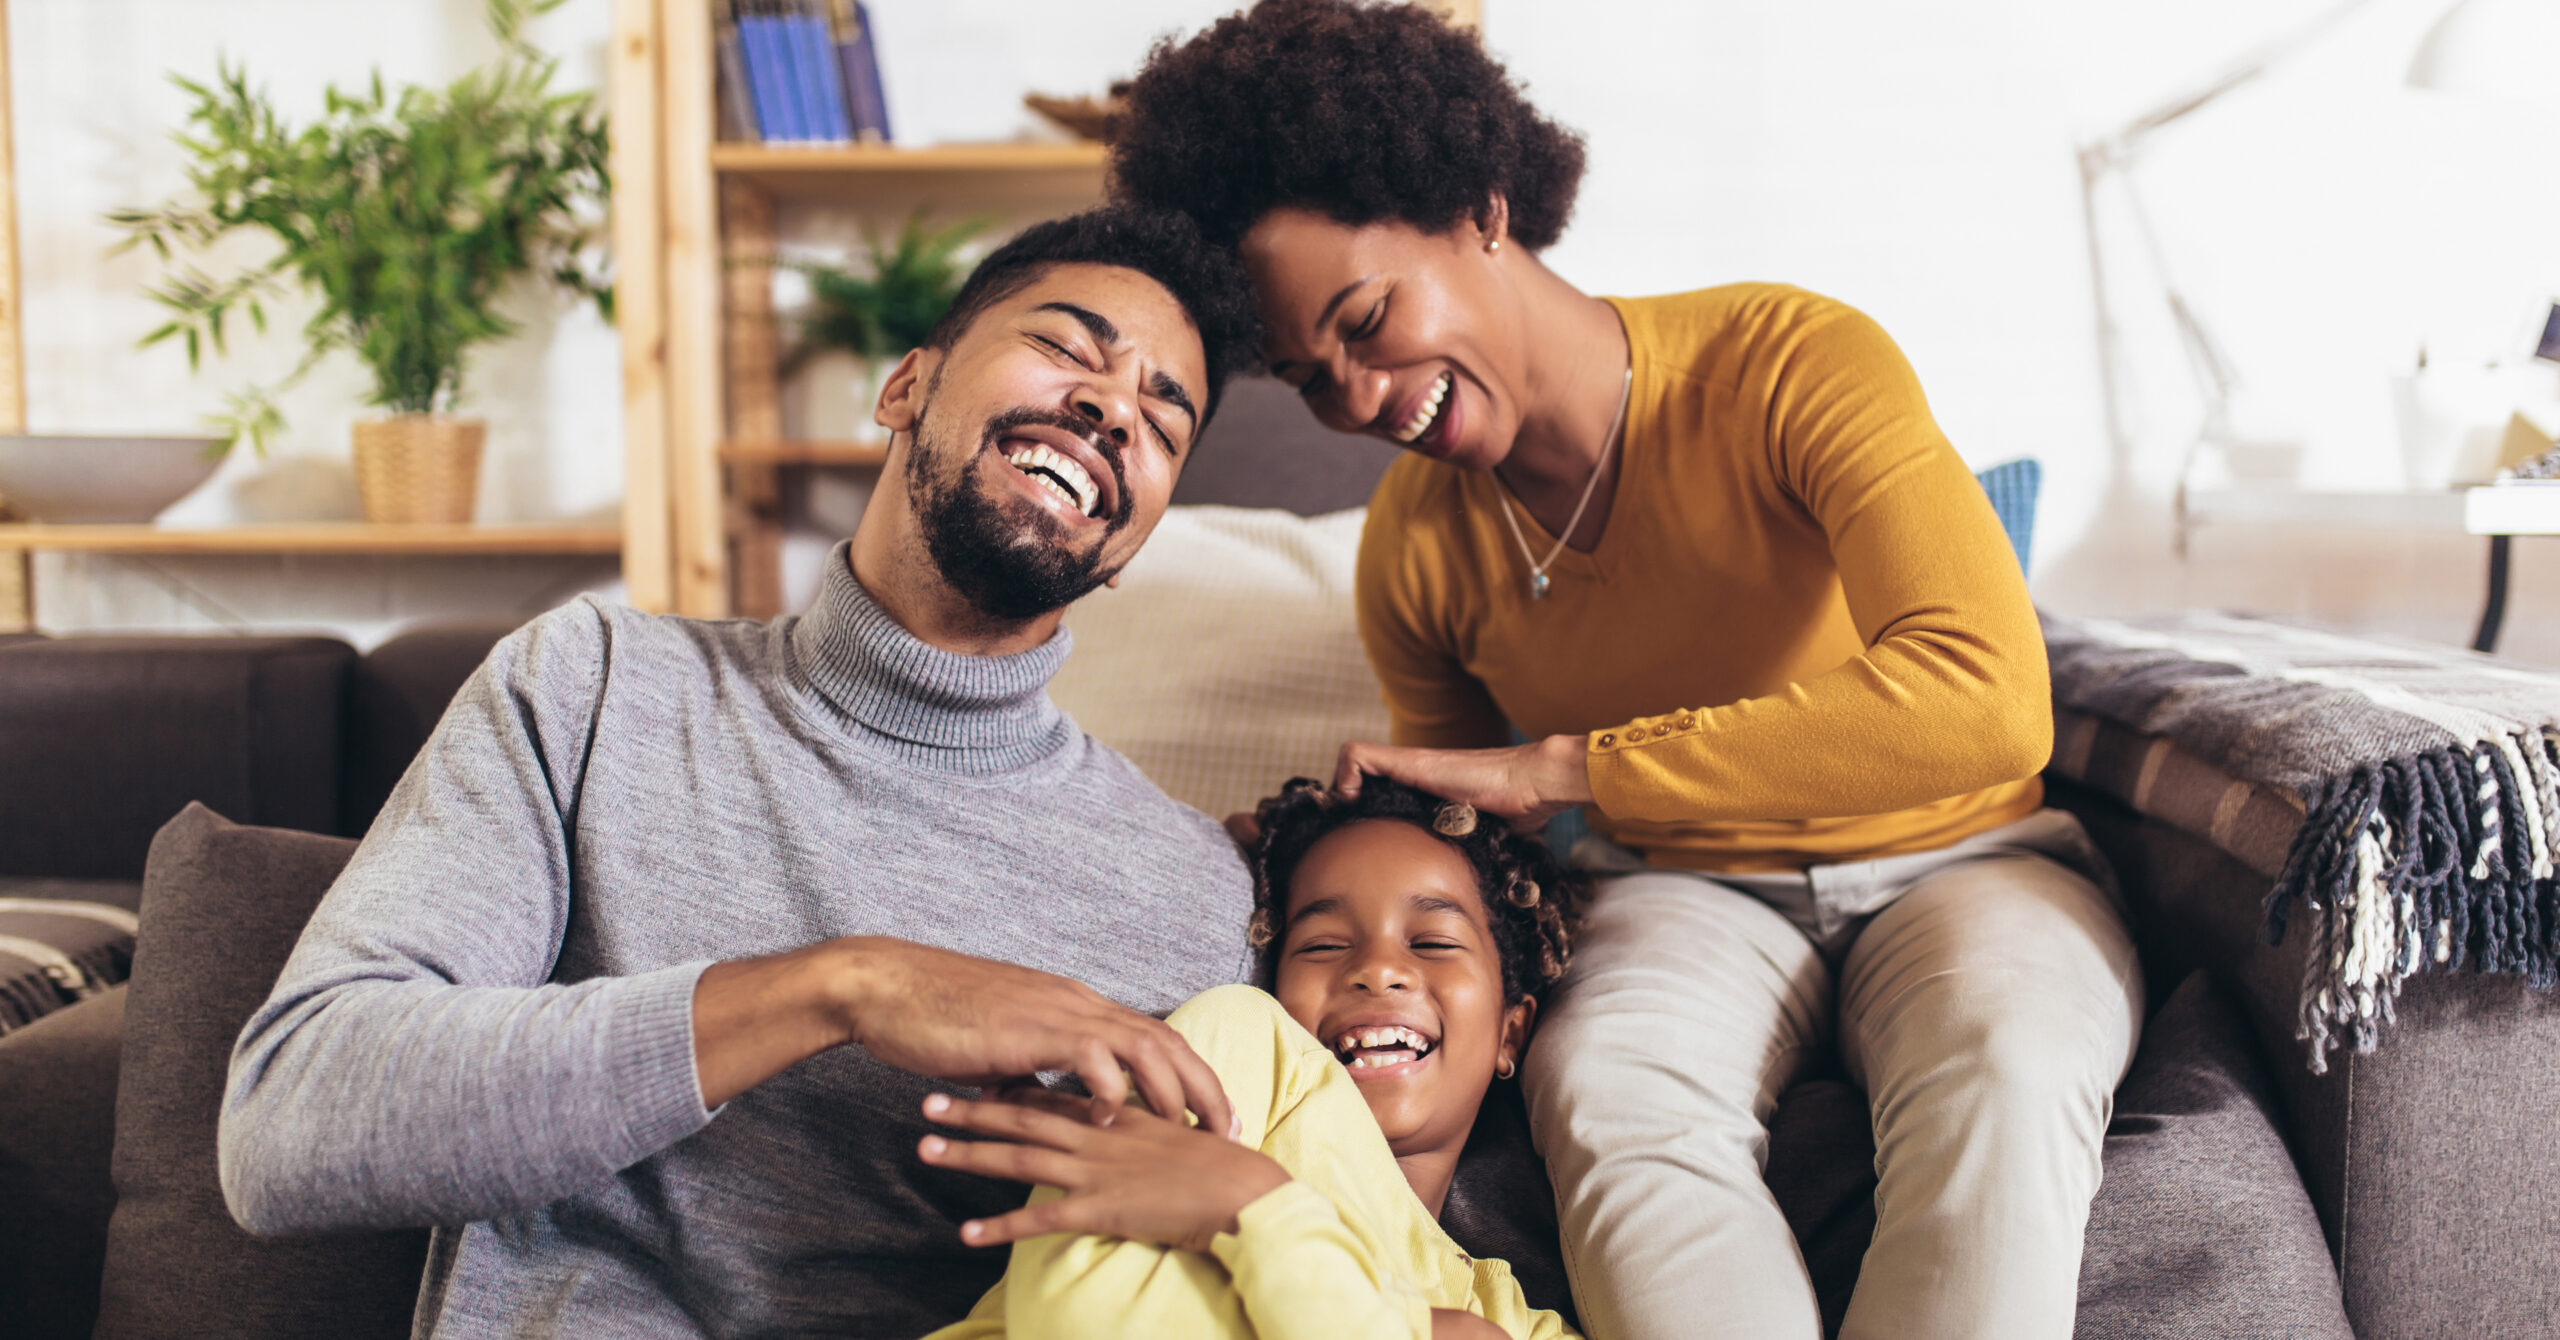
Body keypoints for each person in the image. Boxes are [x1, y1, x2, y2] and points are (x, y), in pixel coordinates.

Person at [1108, 5, 2145, 1339]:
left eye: (1368, 321)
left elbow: (1988, 704)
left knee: (2005, 1062)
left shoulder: (1787, 365)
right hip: (1680, 894)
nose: (1362, 400)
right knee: (1603, 1088)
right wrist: (1323, 850)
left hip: (1968, 861)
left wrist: (1563, 767)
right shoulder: (1415, 551)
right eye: (1312, 379)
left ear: (1481, 206)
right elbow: (1478, 855)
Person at [217, 207, 1270, 1338]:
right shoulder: (592, 688)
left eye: (1166, 420)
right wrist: (842, 986)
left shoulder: (1193, 896)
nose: (1114, 406)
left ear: (1132, 544)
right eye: (1066, 346)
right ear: (905, 388)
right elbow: (289, 1122)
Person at [914, 776, 1582, 1340]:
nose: (1378, 970)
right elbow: (1085, 1318)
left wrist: (1253, 1207)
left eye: (1434, 941)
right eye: (1322, 945)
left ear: (1510, 1034)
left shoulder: (1518, 1323)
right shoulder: (1243, 1043)